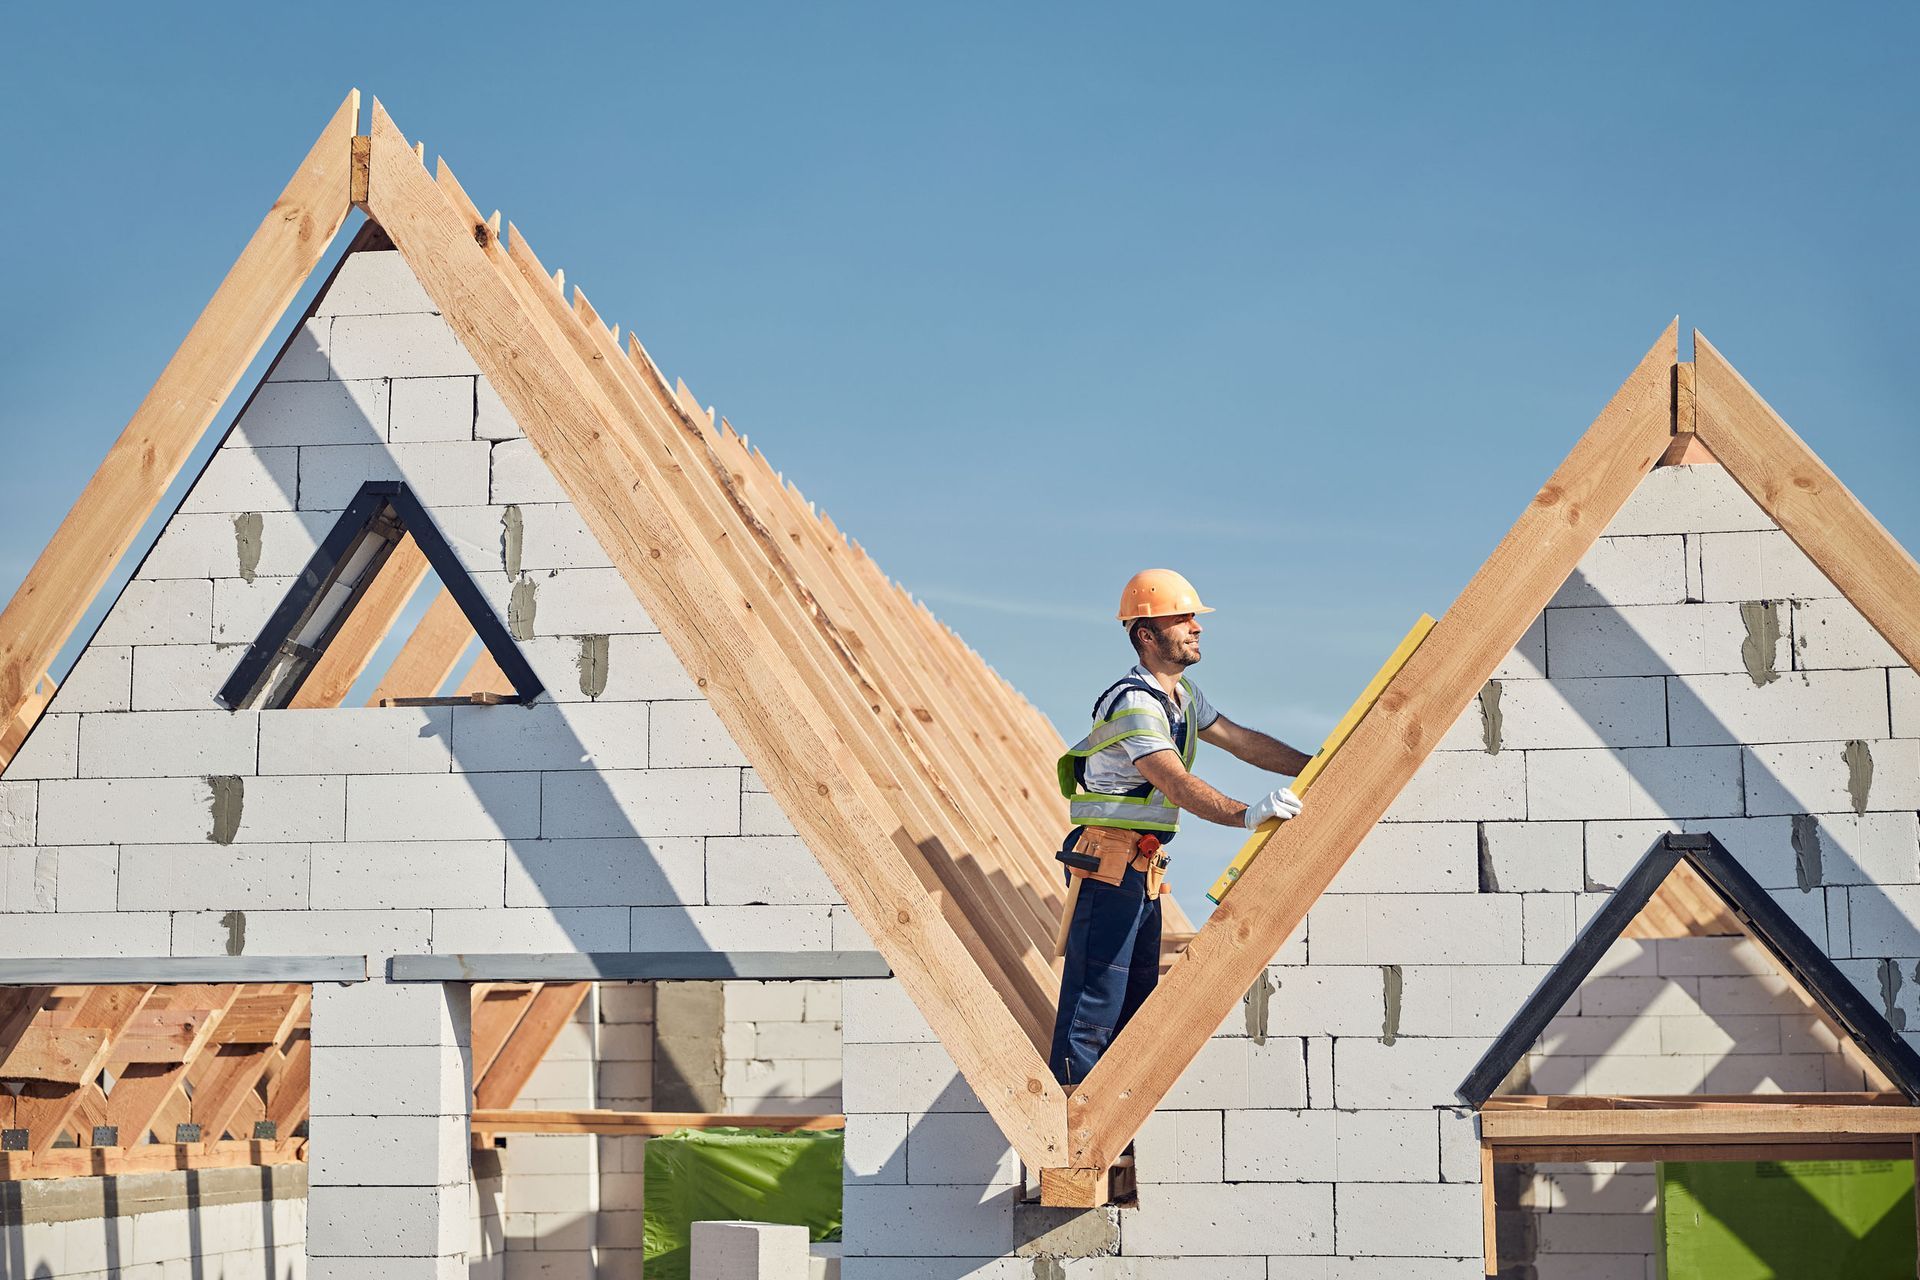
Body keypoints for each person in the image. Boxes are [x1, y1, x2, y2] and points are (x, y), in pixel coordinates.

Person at [1050, 569, 1312, 1087]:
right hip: (1107, 863)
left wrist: (1315, 766)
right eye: (1183, 619)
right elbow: (1173, 780)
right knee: (1097, 997)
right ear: (1146, 635)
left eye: (1195, 618)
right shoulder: (1133, 702)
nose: (1197, 627)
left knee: (1136, 997)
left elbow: (1242, 741)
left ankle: (1113, 1113)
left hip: (1139, 866)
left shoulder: (1183, 697)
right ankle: (1069, 1121)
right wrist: (1245, 814)